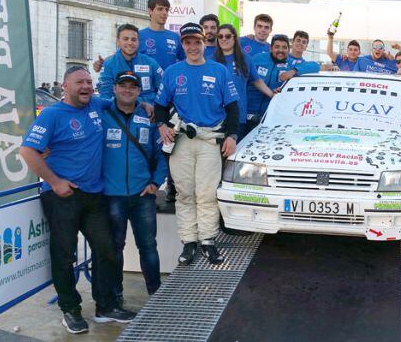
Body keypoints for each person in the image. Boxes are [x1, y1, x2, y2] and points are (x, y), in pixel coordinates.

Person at [20, 66, 135, 334]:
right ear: (65, 86)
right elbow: (28, 152)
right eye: (79, 82)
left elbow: (123, 100)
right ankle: (70, 309)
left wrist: (147, 105)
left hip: (94, 196)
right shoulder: (51, 115)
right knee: (64, 255)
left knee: (107, 249)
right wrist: (55, 182)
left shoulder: (96, 104)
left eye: (89, 82)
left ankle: (105, 307)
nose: (86, 86)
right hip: (63, 196)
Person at [154, 22, 240, 266]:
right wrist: (162, 125)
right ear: (182, 44)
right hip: (181, 140)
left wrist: (232, 137)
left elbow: (233, 107)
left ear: (204, 43)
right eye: (188, 42)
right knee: (185, 192)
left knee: (207, 192)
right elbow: (160, 105)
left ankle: (208, 241)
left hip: (209, 140)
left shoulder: (219, 71)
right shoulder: (172, 72)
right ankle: (189, 241)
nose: (193, 46)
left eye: (197, 42)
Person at [101, 71, 167, 305]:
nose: (127, 90)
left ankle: (156, 294)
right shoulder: (102, 113)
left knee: (148, 246)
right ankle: (116, 296)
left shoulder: (149, 117)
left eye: (132, 86)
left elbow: (162, 155)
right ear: (115, 88)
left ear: (139, 91)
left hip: (142, 196)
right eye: (123, 85)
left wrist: (156, 183)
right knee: (115, 248)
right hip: (112, 196)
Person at [246, 34, 321, 132]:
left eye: (284, 47)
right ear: (271, 48)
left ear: (288, 50)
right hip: (247, 113)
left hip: (270, 118)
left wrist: (293, 71)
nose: (280, 50)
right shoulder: (258, 58)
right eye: (277, 47)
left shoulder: (291, 64)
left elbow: (315, 66)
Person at [213, 24, 274, 139]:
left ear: (234, 38)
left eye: (227, 36)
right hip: (215, 117)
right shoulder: (211, 60)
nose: (224, 39)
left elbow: (257, 81)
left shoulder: (246, 59)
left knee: (232, 155)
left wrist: (273, 95)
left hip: (238, 117)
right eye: (220, 36)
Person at [93, 0, 184, 72]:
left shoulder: (175, 37)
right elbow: (120, 55)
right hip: (145, 89)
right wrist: (102, 63)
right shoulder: (138, 36)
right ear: (150, 11)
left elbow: (188, 59)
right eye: (160, 9)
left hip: (168, 90)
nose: (164, 13)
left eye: (166, 10)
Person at [97, 24, 163, 104]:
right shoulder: (109, 64)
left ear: (138, 42)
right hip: (119, 112)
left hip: (148, 113)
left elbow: (162, 91)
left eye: (133, 39)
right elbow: (105, 95)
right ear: (118, 42)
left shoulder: (151, 63)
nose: (130, 43)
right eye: (126, 39)